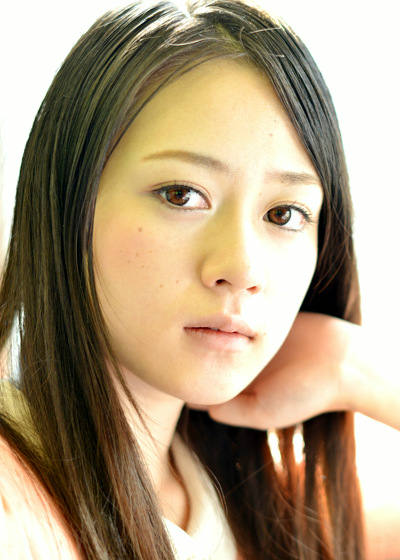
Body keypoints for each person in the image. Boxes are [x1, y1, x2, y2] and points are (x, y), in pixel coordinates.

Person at [0, 1, 398, 559]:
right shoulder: (15, 504)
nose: (242, 268)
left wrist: (353, 367)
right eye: (181, 194)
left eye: (284, 214)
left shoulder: (271, 517)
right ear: (69, 204)